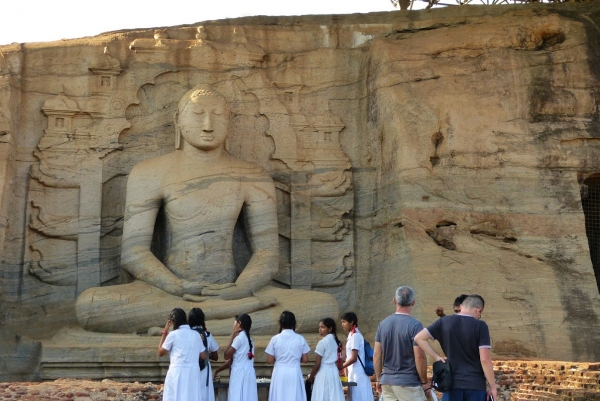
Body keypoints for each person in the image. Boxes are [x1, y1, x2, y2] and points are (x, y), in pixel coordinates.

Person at [75, 83, 338, 335]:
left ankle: (195, 322)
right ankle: (234, 318)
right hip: (166, 292)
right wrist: (176, 285)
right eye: (198, 114)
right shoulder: (149, 172)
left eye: (218, 115)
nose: (208, 125)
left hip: (236, 291)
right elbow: (134, 253)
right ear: (178, 119)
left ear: (230, 121)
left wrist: (239, 289)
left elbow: (267, 254)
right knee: (90, 305)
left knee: (325, 307)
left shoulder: (251, 175)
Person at [414, 295, 498, 401]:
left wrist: (436, 357)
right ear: (478, 310)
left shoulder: (443, 322)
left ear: (461, 306)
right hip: (475, 384)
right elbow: (485, 360)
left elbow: (419, 338)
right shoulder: (480, 326)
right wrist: (493, 387)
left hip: (451, 383)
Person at [373, 286, 429, 401]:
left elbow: (377, 355)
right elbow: (419, 357)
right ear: (413, 302)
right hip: (408, 383)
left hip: (387, 382)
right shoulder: (415, 325)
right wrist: (424, 382)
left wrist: (378, 379)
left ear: (394, 300)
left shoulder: (383, 324)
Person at [158, 308, 207, 401]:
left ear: (173, 322)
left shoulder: (173, 335)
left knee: (175, 397)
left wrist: (164, 332)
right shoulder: (196, 335)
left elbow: (160, 352)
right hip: (193, 372)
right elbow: (203, 356)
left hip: (177, 372)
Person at [265, 311, 310, 401]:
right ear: (294, 323)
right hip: (294, 372)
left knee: (280, 396)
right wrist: (295, 358)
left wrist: (280, 358)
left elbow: (269, 360)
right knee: (294, 396)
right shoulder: (300, 338)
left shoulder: (275, 339)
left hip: (280, 372)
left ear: (280, 323)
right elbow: (305, 359)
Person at [307, 317, 345, 401]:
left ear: (330, 329)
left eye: (323, 327)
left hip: (323, 372)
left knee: (322, 395)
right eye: (319, 327)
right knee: (333, 395)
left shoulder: (322, 343)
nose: (320, 329)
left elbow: (317, 364)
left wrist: (310, 378)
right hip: (333, 372)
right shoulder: (337, 342)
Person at [222, 314, 258, 401]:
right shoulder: (251, 340)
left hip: (239, 374)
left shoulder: (239, 338)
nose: (233, 325)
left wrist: (232, 338)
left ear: (239, 323)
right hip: (249, 373)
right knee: (248, 396)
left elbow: (226, 355)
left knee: (237, 396)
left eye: (234, 322)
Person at [340, 312, 373, 401]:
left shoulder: (356, 336)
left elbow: (354, 358)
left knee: (359, 396)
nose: (342, 324)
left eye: (344, 322)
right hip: (353, 372)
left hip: (358, 373)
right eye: (342, 322)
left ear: (351, 322)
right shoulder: (351, 335)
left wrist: (341, 366)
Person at [188, 308, 219, 401]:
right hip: (204, 368)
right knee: (205, 393)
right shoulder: (208, 335)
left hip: (190, 367)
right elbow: (216, 357)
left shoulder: (187, 335)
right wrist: (206, 354)